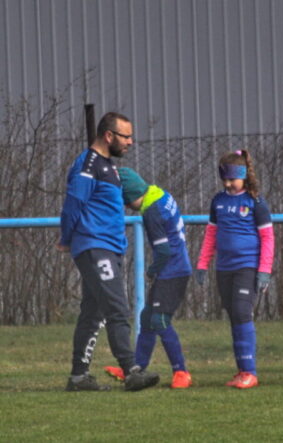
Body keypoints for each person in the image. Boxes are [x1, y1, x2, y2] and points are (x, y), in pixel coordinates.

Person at [57, 112, 159, 391]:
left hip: (110, 247)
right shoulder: (88, 164)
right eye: (126, 136)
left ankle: (79, 377)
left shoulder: (109, 167)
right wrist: (66, 238)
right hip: (94, 246)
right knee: (117, 307)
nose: (130, 142)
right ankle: (131, 370)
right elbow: (73, 203)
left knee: (93, 313)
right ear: (109, 135)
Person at [103, 168, 193, 389]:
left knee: (159, 320)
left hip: (173, 271)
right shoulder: (160, 195)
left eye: (125, 200)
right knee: (147, 318)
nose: (126, 206)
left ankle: (181, 371)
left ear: (130, 196)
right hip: (175, 267)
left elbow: (163, 251)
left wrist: (152, 271)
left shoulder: (152, 211)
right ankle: (137, 369)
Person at [195, 150, 274, 389]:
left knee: (242, 312)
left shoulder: (255, 203)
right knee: (233, 316)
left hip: (247, 266)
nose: (228, 184)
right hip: (224, 268)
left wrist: (264, 270)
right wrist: (202, 263)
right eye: (224, 179)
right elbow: (211, 234)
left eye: (232, 179)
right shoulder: (218, 201)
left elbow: (268, 238)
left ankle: (250, 372)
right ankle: (241, 370)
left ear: (244, 176)